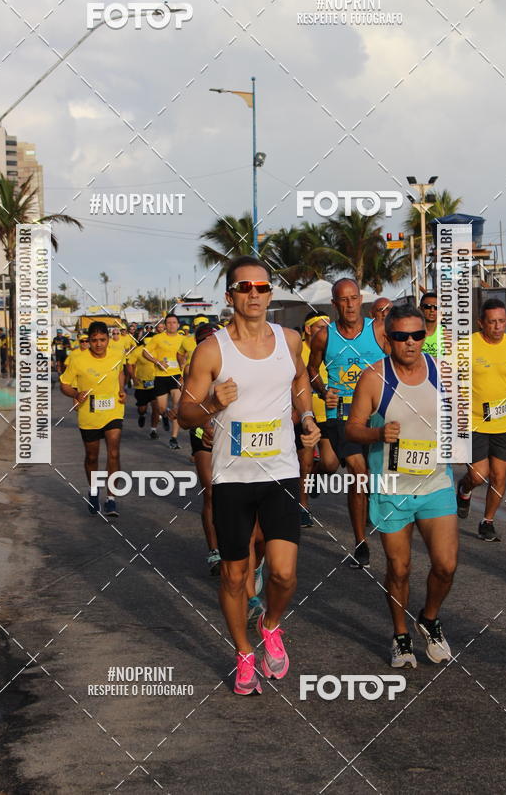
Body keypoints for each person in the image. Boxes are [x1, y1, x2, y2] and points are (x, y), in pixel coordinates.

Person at [178, 255, 320, 696]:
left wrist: (308, 415)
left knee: (282, 574)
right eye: (245, 288)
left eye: (261, 288)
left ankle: (271, 624)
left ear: (270, 294)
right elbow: (184, 415)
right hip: (231, 478)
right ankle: (243, 652)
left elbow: (298, 379)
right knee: (235, 576)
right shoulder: (211, 350)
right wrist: (213, 404)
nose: (254, 295)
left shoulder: (290, 338)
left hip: (280, 470)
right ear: (230, 296)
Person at [346, 304, 457, 668]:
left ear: (425, 335)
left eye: (417, 335)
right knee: (399, 568)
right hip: (391, 487)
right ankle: (400, 635)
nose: (410, 343)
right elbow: (352, 428)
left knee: (446, 565)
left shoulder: (443, 371)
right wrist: (377, 433)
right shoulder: (375, 378)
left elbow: (458, 420)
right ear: (388, 339)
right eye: (400, 336)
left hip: (436, 482)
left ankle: (428, 618)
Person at [307, 278, 388, 567]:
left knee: (365, 474)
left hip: (375, 413)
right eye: (343, 299)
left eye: (354, 298)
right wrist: (322, 390)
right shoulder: (323, 336)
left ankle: (320, 474)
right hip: (340, 414)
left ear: (361, 299)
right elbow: (312, 370)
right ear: (334, 304)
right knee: (358, 471)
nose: (350, 304)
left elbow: (398, 365)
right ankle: (360, 542)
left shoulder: (378, 330)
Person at [456, 299, 506, 541]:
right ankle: (464, 488)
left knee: (499, 476)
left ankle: (487, 521)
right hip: (474, 421)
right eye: (492, 322)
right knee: (479, 475)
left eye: (501, 321)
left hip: (505, 422)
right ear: (481, 322)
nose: (497, 326)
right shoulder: (466, 346)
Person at [59, 321, 126, 518]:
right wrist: (76, 393)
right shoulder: (78, 360)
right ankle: (94, 490)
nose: (98, 344)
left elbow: (120, 372)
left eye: (102, 340)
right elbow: (64, 384)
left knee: (114, 452)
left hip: (113, 411)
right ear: (89, 341)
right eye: (94, 340)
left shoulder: (116, 355)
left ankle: (111, 498)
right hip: (89, 415)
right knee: (92, 457)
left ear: (107, 339)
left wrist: (121, 390)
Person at [180, 322, 222, 575]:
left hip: (232, 434)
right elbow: (190, 406)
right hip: (201, 432)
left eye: (214, 339)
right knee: (211, 493)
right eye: (205, 340)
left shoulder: (233, 363)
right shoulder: (192, 367)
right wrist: (205, 425)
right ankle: (215, 551)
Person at [297, 311, 331, 525]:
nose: (326, 332)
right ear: (308, 329)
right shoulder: (297, 349)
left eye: (328, 328)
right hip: (304, 414)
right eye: (321, 327)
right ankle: (303, 506)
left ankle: (317, 476)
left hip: (328, 413)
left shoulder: (333, 348)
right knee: (305, 463)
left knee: (329, 464)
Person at [142, 314, 183, 449]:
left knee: (177, 407)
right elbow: (145, 352)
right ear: (165, 325)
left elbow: (189, 356)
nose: (171, 325)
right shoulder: (158, 338)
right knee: (161, 408)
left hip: (176, 376)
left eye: (174, 322)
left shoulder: (183, 339)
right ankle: (164, 415)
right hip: (161, 376)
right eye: (169, 323)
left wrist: (184, 372)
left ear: (178, 325)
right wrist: (157, 361)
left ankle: (174, 438)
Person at [126, 338, 160, 437]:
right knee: (142, 408)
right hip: (141, 385)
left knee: (156, 408)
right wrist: (133, 378)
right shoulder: (138, 351)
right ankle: (142, 415)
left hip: (155, 383)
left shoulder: (157, 350)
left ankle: (153, 430)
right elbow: (129, 364)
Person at [419, 292, 444, 358]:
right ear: (420, 309)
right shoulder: (411, 333)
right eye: (428, 306)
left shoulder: (447, 335)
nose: (432, 310)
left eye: (436, 307)